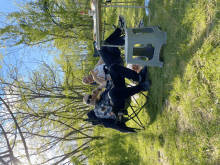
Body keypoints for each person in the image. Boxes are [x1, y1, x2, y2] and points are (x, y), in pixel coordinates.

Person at [83, 64, 151, 132]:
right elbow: (111, 110)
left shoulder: (102, 95)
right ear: (89, 105)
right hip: (120, 105)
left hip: (121, 91)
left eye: (89, 97)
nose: (90, 99)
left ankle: (139, 77)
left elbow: (109, 82)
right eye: (88, 101)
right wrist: (110, 95)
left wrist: (98, 88)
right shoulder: (97, 111)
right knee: (112, 94)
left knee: (113, 68)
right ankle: (142, 87)